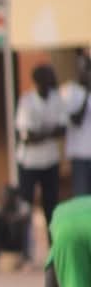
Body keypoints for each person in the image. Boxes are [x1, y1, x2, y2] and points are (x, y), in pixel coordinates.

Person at [15, 63, 67, 246]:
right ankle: (25, 247)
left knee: (51, 207)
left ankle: (52, 247)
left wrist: (40, 134)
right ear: (37, 82)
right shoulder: (26, 101)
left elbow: (62, 130)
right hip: (28, 163)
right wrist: (49, 132)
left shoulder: (56, 99)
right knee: (26, 206)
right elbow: (27, 137)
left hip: (50, 161)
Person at [62, 51, 91, 196]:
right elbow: (76, 120)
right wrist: (86, 94)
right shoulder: (71, 91)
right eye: (85, 68)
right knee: (82, 198)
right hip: (80, 156)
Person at [0, 185, 31, 270]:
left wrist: (14, 219)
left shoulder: (22, 206)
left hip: (17, 243)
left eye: (7, 197)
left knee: (23, 226)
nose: (4, 199)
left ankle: (26, 257)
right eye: (3, 197)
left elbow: (25, 214)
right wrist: (5, 217)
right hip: (5, 243)